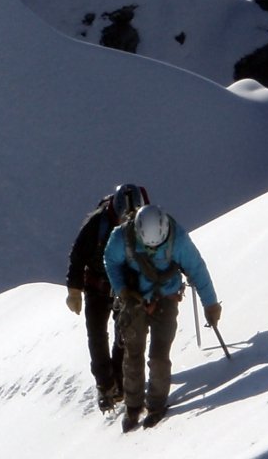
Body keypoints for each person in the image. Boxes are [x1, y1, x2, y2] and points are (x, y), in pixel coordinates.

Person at [104, 204, 221, 431]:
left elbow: (196, 268)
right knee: (134, 353)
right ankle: (133, 406)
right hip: (136, 300)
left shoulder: (177, 239)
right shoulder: (122, 238)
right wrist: (123, 290)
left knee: (158, 354)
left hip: (165, 299)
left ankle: (155, 405)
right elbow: (111, 261)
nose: (154, 248)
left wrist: (211, 304)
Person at [66, 184, 145, 411]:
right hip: (99, 287)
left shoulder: (137, 221)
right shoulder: (97, 223)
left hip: (121, 287)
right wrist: (74, 290)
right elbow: (78, 255)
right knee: (98, 335)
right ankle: (105, 384)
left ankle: (117, 381)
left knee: (121, 334)